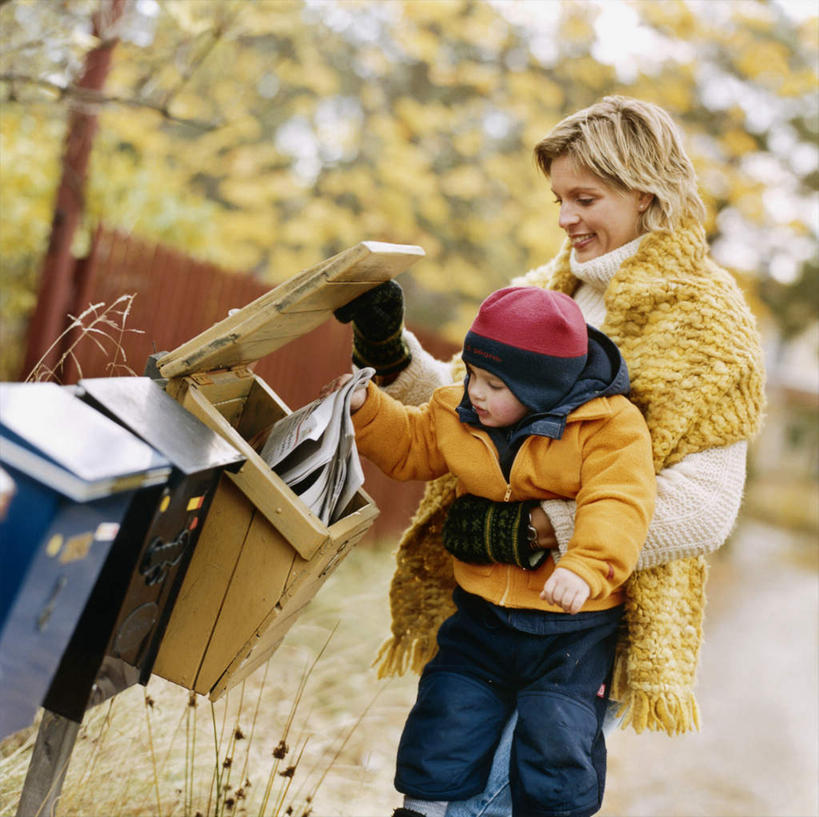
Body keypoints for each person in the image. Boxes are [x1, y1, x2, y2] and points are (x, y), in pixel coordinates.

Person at [334, 95, 765, 816]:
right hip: (484, 613)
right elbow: (460, 408)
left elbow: (704, 509)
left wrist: (539, 529)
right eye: (559, 198)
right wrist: (387, 351)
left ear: (645, 193)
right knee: (438, 788)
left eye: (584, 198)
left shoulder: (711, 323)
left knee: (506, 799)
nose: (565, 217)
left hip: (583, 626)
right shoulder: (546, 288)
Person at [329, 284, 656, 817]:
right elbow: (412, 445)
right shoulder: (461, 410)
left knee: (556, 739)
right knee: (447, 713)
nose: (475, 393)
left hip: (570, 628)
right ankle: (422, 808)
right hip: (482, 615)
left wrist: (586, 566)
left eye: (494, 384)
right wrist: (368, 410)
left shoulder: (608, 428)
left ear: (543, 388)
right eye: (473, 376)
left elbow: (619, 501)